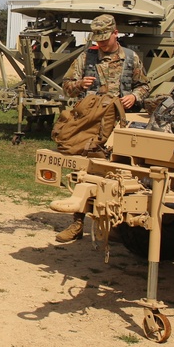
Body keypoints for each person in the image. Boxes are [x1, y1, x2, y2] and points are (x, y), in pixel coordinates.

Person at [55, 13, 150, 243]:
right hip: (90, 122)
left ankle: (115, 224)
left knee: (119, 174)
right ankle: (78, 222)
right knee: (84, 172)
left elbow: (144, 85)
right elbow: (66, 86)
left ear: (115, 34)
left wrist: (134, 96)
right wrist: (79, 84)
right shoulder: (86, 58)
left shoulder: (131, 58)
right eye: (98, 40)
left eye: (105, 39)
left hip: (118, 124)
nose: (101, 44)